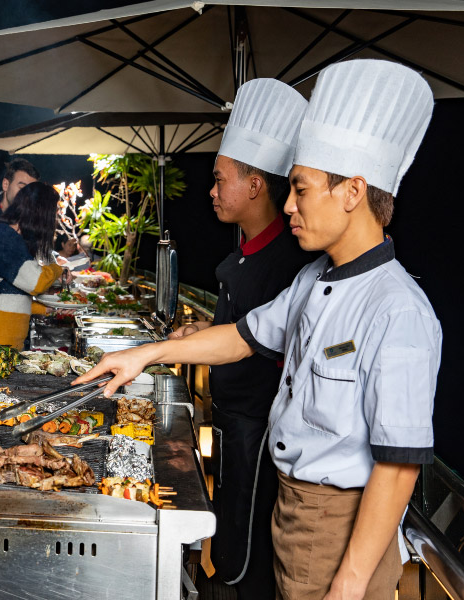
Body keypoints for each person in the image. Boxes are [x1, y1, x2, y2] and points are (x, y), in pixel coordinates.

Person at [76, 59, 441, 600]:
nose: (288, 204)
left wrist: (351, 580)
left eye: (300, 189)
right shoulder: (317, 279)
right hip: (289, 508)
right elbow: (242, 336)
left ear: (352, 191)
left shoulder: (398, 309)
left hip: (340, 524)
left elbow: (397, 466)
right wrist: (144, 355)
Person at [169, 78, 313, 599]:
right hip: (231, 424)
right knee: (229, 536)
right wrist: (206, 330)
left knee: (247, 553)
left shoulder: (287, 264)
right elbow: (251, 328)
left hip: (259, 432)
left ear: (256, 186)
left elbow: (262, 343)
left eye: (219, 179)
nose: (211, 191)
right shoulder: (249, 252)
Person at [0, 182, 66, 352]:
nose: (54, 218)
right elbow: (36, 282)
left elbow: (5, 296)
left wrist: (47, 309)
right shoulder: (2, 236)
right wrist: (58, 268)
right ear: (40, 212)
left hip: (1, 343)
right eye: (53, 212)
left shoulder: (13, 238)